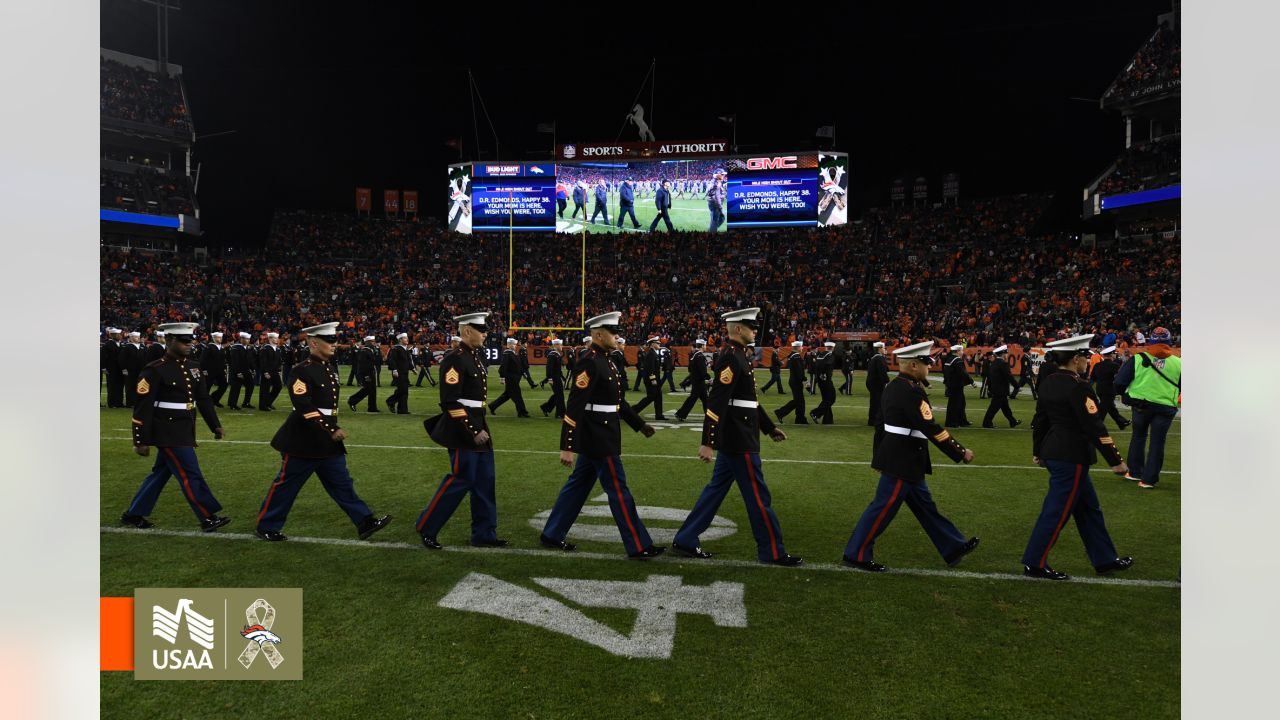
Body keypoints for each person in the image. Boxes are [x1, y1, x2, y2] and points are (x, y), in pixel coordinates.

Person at [674, 307, 802, 566]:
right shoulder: (732, 358)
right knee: (758, 496)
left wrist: (768, 427)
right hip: (739, 440)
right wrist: (708, 442)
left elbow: (749, 401)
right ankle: (772, 551)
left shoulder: (739, 356)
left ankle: (686, 538)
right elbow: (717, 401)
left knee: (715, 492)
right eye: (751, 326)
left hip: (738, 437)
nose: (755, 330)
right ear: (739, 329)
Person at [842, 340, 979, 572]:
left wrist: (878, 457)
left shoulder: (894, 387)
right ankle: (856, 553)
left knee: (927, 508)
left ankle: (953, 546)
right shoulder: (911, 391)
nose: (929, 367)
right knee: (882, 508)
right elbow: (932, 428)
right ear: (914, 365)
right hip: (902, 460)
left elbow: (879, 424)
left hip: (902, 459)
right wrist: (960, 451)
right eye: (926, 364)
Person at [540, 311, 665, 558]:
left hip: (601, 434)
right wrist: (566, 446)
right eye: (613, 332)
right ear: (598, 334)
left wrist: (639, 424)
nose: (617, 337)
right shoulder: (589, 361)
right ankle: (639, 545)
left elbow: (617, 402)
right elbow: (574, 405)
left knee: (577, 487)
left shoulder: (606, 360)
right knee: (619, 490)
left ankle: (552, 533)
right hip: (598, 436)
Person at [254, 322, 393, 542]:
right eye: (329, 341)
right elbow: (303, 405)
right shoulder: (302, 370)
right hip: (303, 439)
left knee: (342, 483)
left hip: (326, 441)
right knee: (287, 486)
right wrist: (332, 428)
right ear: (313, 343)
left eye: (335, 340)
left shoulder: (328, 368)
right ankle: (266, 525)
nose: (334, 344)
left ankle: (364, 521)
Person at [1022, 334, 1133, 580]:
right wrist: (1115, 460)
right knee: (1057, 511)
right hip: (1070, 456)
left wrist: (1037, 450)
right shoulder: (1078, 386)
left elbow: (1041, 419)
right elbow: (1094, 426)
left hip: (1055, 451)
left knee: (1089, 510)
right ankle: (1034, 562)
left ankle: (1104, 558)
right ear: (1075, 359)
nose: (1086, 361)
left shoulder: (1049, 381)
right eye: (1084, 356)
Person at [120, 322, 231, 533]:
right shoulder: (154, 369)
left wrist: (215, 425)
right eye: (184, 341)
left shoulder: (194, 367)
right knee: (190, 473)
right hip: (166, 430)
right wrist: (140, 440)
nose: (189, 344)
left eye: (191, 340)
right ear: (169, 340)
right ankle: (207, 516)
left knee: (160, 473)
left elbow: (203, 398)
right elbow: (142, 408)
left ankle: (133, 514)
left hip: (185, 428)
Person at [417, 312, 507, 550]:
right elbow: (450, 401)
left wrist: (479, 427)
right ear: (467, 331)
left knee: (485, 482)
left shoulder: (475, 357)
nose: (485, 334)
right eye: (481, 329)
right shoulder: (455, 359)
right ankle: (427, 527)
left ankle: (484, 534)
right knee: (461, 480)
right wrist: (473, 430)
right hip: (463, 430)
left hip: (479, 424)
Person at [1114, 326, 1180, 489]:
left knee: (1138, 436)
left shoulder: (1137, 358)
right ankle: (1149, 480)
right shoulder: (1179, 363)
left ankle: (1135, 472)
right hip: (1165, 407)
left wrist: (1125, 396)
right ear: (1169, 342)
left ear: (1150, 341)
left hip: (1141, 405)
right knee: (1158, 442)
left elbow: (1119, 383)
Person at [1088, 346, 1130, 431]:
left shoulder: (1097, 365)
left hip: (1099, 389)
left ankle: (1122, 422)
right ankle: (1096, 425)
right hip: (1109, 389)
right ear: (1111, 355)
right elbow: (1119, 377)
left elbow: (1093, 377)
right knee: (1103, 408)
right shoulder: (1114, 365)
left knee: (1110, 407)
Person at [489, 338, 531, 417]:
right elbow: (503, 367)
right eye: (513, 344)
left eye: (515, 344)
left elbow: (518, 365)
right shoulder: (507, 353)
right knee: (517, 396)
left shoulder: (513, 353)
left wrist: (523, 373)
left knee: (507, 395)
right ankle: (522, 412)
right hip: (511, 378)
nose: (515, 346)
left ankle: (492, 406)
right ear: (509, 345)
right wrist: (502, 377)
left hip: (515, 378)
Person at [981, 345, 1021, 428]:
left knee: (1005, 408)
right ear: (1003, 354)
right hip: (1001, 390)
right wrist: (1016, 386)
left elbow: (990, 377)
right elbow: (1008, 376)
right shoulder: (1003, 363)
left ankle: (1012, 421)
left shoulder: (994, 363)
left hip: (996, 389)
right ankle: (986, 423)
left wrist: (990, 389)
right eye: (1006, 353)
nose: (1007, 354)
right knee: (993, 408)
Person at [630, 337, 666, 420]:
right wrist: (653, 379)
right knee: (651, 397)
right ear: (652, 344)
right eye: (657, 343)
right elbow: (650, 369)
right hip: (651, 380)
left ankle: (659, 415)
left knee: (658, 397)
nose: (659, 344)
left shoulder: (653, 353)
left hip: (655, 379)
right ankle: (632, 411)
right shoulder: (651, 354)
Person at [773, 341, 809, 425]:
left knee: (800, 401)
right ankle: (781, 412)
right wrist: (805, 380)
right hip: (796, 381)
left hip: (794, 381)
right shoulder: (796, 357)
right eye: (801, 346)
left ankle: (800, 419)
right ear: (797, 347)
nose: (802, 348)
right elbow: (799, 371)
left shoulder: (793, 355)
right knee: (798, 401)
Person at [674, 339, 710, 421]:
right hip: (699, 382)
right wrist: (709, 378)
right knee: (694, 399)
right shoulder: (700, 356)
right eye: (705, 345)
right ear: (702, 346)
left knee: (705, 399)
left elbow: (690, 369)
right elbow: (702, 371)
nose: (706, 347)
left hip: (697, 381)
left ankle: (709, 415)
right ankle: (680, 414)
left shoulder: (694, 355)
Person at [943, 344, 974, 429]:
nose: (962, 352)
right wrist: (971, 381)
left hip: (951, 384)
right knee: (955, 404)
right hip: (956, 385)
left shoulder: (949, 359)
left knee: (960, 403)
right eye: (961, 350)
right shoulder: (958, 360)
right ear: (957, 351)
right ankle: (952, 422)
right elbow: (962, 372)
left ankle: (962, 420)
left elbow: (945, 372)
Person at [346, 336, 380, 413]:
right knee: (367, 389)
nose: (374, 342)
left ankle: (372, 407)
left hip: (371, 372)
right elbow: (363, 365)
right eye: (372, 341)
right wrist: (366, 376)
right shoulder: (364, 351)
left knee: (373, 390)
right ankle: (352, 400)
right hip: (366, 374)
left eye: (374, 341)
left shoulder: (371, 350)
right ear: (367, 342)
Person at [809, 341, 837, 424]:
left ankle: (827, 420)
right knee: (832, 398)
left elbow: (816, 366)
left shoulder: (820, 354)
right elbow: (828, 365)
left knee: (826, 399)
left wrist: (819, 375)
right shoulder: (830, 355)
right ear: (832, 348)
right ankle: (815, 413)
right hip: (826, 380)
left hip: (820, 380)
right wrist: (824, 374)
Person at [865, 341, 890, 433]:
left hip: (873, 383)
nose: (885, 350)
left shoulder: (876, 357)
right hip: (876, 384)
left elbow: (886, 369)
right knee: (877, 402)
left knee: (875, 401)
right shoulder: (879, 358)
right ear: (879, 348)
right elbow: (883, 372)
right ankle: (874, 420)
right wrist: (887, 381)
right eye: (883, 348)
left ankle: (873, 419)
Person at [386, 332, 413, 414]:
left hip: (405, 372)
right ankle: (390, 401)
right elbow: (391, 360)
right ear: (400, 340)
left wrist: (412, 368)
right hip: (398, 372)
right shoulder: (396, 349)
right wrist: (394, 370)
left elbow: (408, 360)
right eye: (405, 338)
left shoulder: (405, 349)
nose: (407, 339)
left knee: (404, 391)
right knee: (402, 390)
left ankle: (402, 410)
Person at [539, 338, 566, 418]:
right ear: (556, 345)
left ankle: (546, 408)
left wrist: (563, 378)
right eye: (560, 344)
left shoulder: (556, 354)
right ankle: (560, 414)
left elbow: (558, 369)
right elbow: (549, 368)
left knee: (557, 395)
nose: (562, 346)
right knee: (559, 396)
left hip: (557, 377)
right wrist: (550, 378)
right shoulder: (552, 355)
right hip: (554, 378)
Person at [227, 331, 254, 411]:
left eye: (249, 339)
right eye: (246, 339)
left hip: (246, 371)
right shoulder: (236, 348)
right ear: (241, 339)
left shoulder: (247, 348)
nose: (248, 340)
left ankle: (246, 402)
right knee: (236, 388)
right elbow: (235, 361)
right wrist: (238, 372)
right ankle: (232, 404)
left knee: (250, 386)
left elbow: (249, 360)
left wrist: (253, 369)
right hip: (237, 371)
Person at [200, 332, 228, 407]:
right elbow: (203, 359)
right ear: (214, 338)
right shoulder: (209, 347)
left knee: (224, 385)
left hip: (220, 371)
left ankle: (214, 399)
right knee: (207, 387)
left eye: (221, 337)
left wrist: (224, 368)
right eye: (218, 337)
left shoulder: (221, 348)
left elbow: (223, 360)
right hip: (210, 370)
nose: (220, 339)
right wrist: (204, 370)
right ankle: (204, 403)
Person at [257, 332, 283, 411]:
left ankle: (268, 402)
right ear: (270, 339)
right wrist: (265, 372)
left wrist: (278, 369)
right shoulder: (265, 348)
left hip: (275, 371)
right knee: (265, 389)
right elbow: (263, 361)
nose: (277, 340)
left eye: (277, 338)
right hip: (267, 372)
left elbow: (279, 360)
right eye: (275, 338)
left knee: (278, 386)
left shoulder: (277, 348)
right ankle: (262, 405)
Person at [119, 331, 145, 407]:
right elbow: (122, 359)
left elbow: (146, 358)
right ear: (131, 338)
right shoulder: (127, 347)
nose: (138, 338)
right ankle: (130, 403)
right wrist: (124, 368)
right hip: (130, 371)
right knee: (130, 387)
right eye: (136, 337)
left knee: (140, 386)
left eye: (138, 337)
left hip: (141, 370)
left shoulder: (142, 347)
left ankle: (138, 402)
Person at [102, 327, 125, 408]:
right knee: (112, 386)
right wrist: (104, 368)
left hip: (120, 369)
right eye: (119, 334)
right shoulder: (107, 344)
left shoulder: (121, 344)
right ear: (113, 335)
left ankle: (119, 402)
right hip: (111, 369)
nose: (120, 336)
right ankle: (112, 403)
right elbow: (103, 357)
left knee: (120, 386)